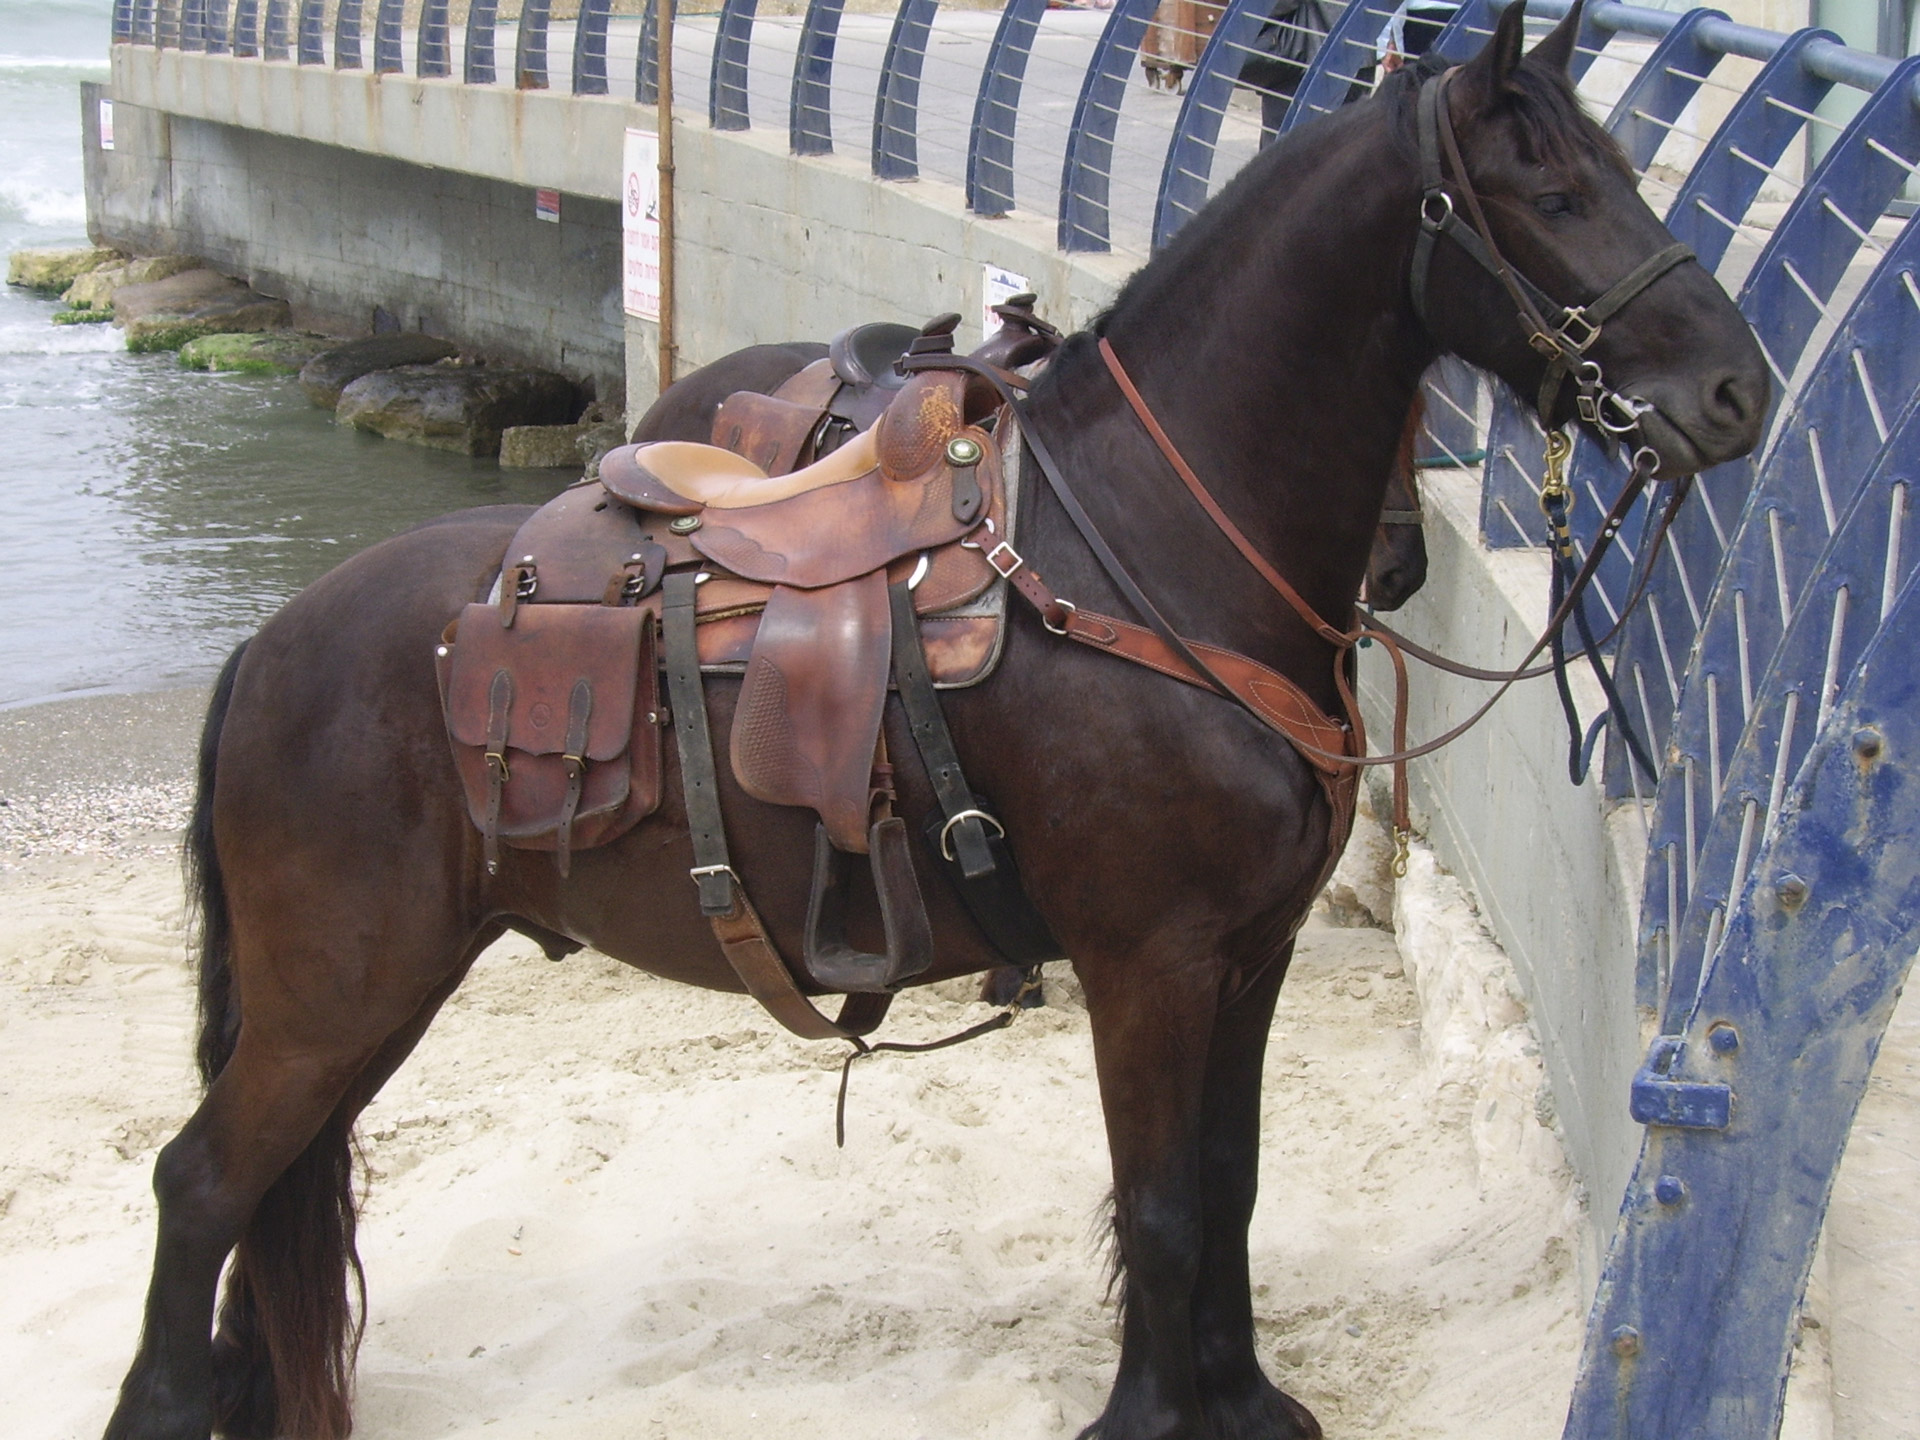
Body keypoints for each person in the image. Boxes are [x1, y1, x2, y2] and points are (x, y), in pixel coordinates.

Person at [1238, 0, 1332, 136]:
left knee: (1285, 147)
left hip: (1303, 57)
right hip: (1358, 55)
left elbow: (1275, 4)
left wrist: (1247, 22)